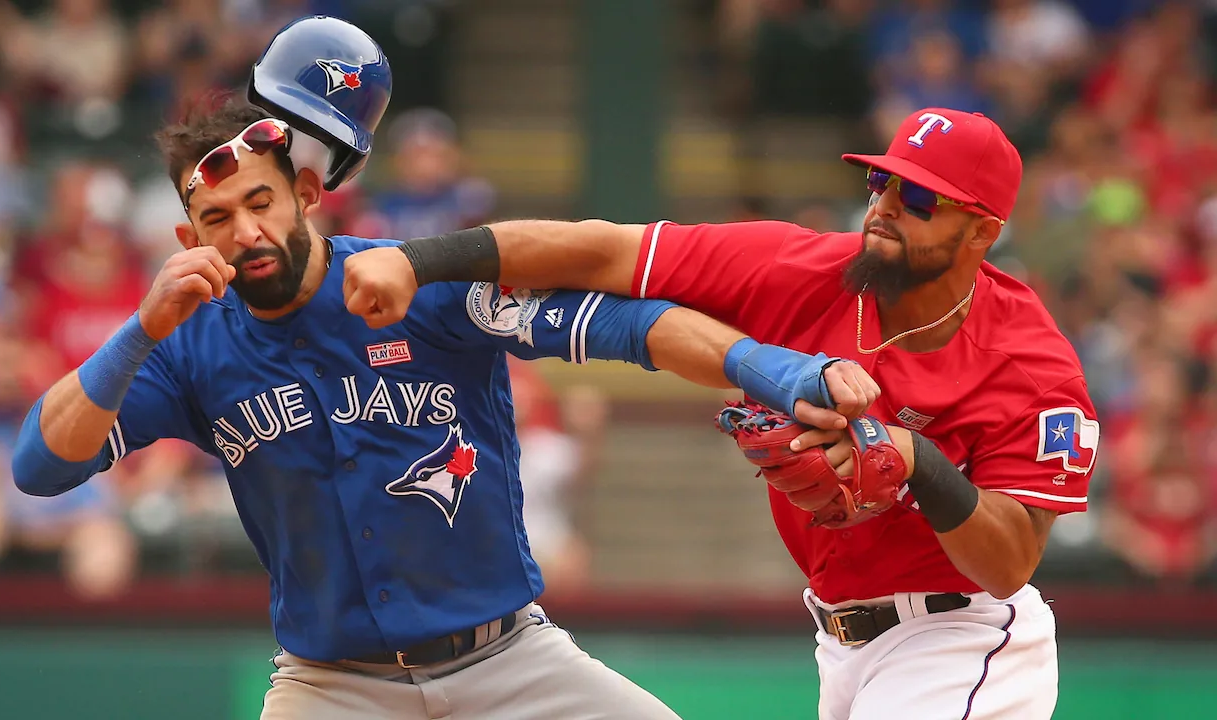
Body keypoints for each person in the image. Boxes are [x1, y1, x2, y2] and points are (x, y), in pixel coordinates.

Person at [10, 16, 882, 720]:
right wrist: (139, 330)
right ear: (186, 238)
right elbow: (40, 467)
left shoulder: (414, 282)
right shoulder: (185, 346)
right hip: (331, 686)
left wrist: (782, 373)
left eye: (261, 201)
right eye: (215, 217)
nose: (244, 232)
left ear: (308, 195)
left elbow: (632, 328)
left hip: (511, 663)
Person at [343, 107, 1099, 719]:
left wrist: (916, 460)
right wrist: (420, 261)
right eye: (881, 183)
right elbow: (602, 252)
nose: (887, 208)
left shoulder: (1030, 363)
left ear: (983, 232)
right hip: (841, 642)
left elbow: (1008, 565)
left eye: (921, 199)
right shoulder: (799, 269)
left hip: (962, 637)